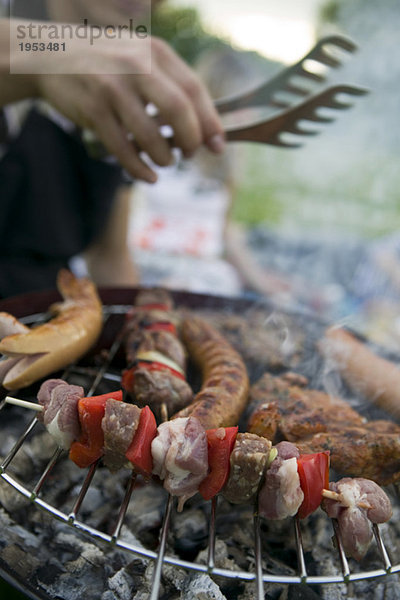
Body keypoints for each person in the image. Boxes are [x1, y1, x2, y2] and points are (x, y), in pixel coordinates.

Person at [0, 0, 225, 297]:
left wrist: (142, 325)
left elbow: (109, 256)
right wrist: (54, 53)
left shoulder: (120, 99)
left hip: (50, 322)